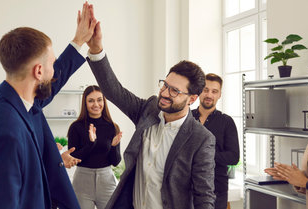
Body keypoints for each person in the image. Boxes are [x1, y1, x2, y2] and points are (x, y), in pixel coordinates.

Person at [0, 2, 98, 209]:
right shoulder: (2, 130)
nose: (54, 72)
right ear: (38, 72)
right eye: (51, 65)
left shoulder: (14, 102)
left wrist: (79, 41)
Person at [84, 13, 216, 209]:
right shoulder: (149, 110)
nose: (164, 93)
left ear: (192, 99)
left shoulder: (201, 138)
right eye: (165, 84)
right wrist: (96, 49)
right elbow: (114, 91)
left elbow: (204, 195)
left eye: (174, 91)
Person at [68, 85, 122, 209]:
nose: (96, 104)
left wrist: (113, 146)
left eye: (99, 100)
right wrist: (91, 144)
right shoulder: (76, 127)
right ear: (85, 103)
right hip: (82, 182)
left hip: (106, 181)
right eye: (91, 101)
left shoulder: (112, 127)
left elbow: (115, 162)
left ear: (104, 101)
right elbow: (73, 158)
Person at [192, 73, 240, 209]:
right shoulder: (187, 118)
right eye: (206, 90)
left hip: (216, 189)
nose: (209, 95)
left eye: (214, 91)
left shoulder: (226, 122)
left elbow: (233, 157)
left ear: (220, 95)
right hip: (186, 188)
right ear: (199, 91)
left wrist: (203, 155)